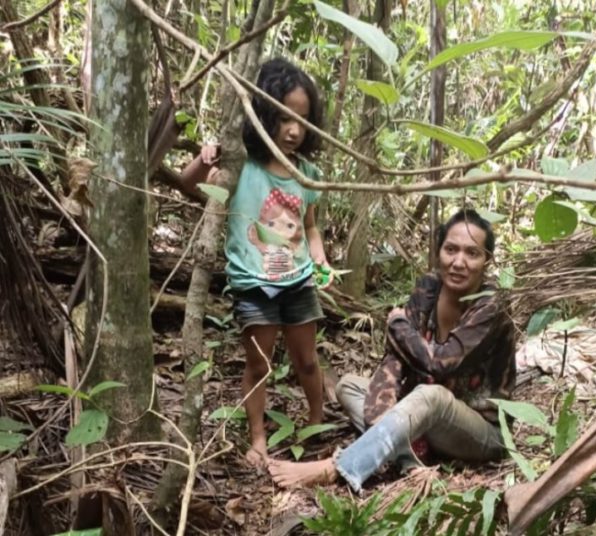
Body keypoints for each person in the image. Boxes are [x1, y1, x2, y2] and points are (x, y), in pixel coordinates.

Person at [268, 209, 516, 490]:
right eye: (451, 249)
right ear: (438, 252)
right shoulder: (429, 288)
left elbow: (440, 363)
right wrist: (385, 417)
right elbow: (396, 359)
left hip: (478, 430)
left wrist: (397, 323)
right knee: (350, 386)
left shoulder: (491, 304)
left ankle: (340, 466)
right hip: (423, 417)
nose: (459, 262)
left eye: (472, 253)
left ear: (487, 261)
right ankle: (407, 460)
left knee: (431, 396)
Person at [183, 58, 330, 466]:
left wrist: (318, 256)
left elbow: (311, 226)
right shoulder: (240, 166)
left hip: (298, 281)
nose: (294, 130)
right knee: (259, 364)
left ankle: (317, 421)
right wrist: (206, 158)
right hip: (253, 282)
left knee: (306, 359)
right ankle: (258, 438)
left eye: (302, 120)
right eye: (283, 117)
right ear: (262, 112)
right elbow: (189, 186)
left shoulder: (306, 174)